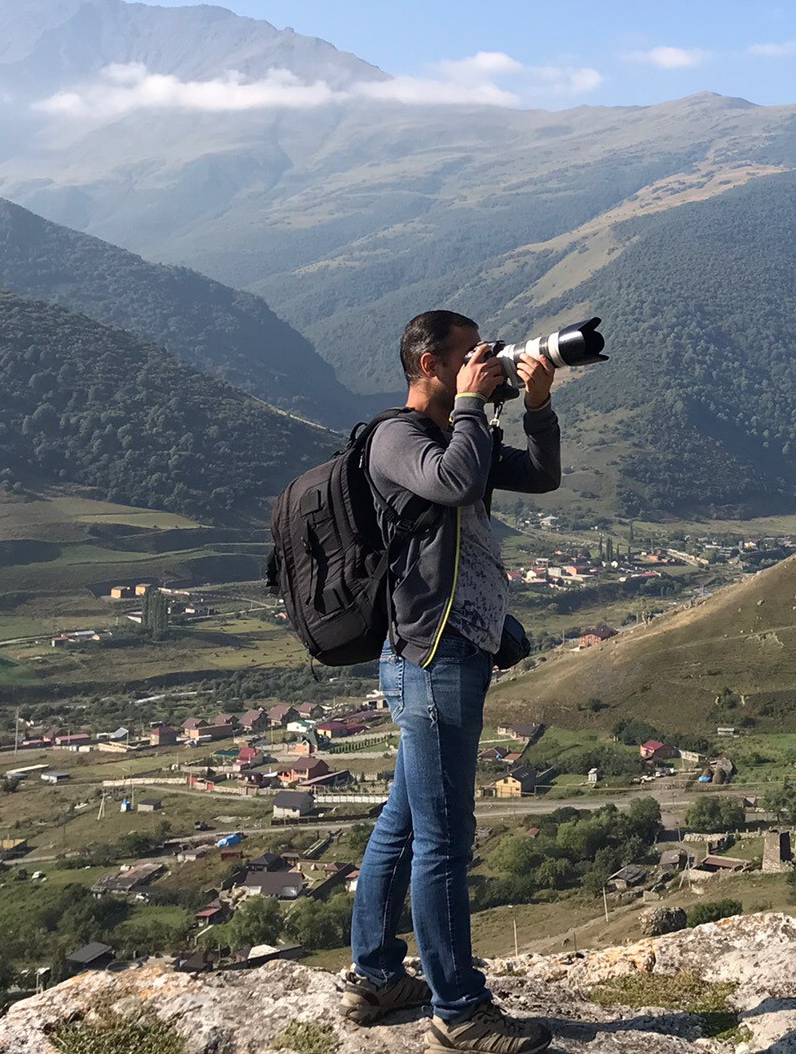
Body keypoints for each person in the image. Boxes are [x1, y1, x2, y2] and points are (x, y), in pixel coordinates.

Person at [341, 309, 561, 1053]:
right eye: (472, 354)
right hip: (432, 658)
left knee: (405, 822)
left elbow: (540, 476)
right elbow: (456, 479)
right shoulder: (398, 438)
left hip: (454, 653)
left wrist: (537, 408)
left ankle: (376, 976)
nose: (485, 361)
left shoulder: (456, 431)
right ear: (431, 364)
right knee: (444, 838)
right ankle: (459, 1011)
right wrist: (473, 405)